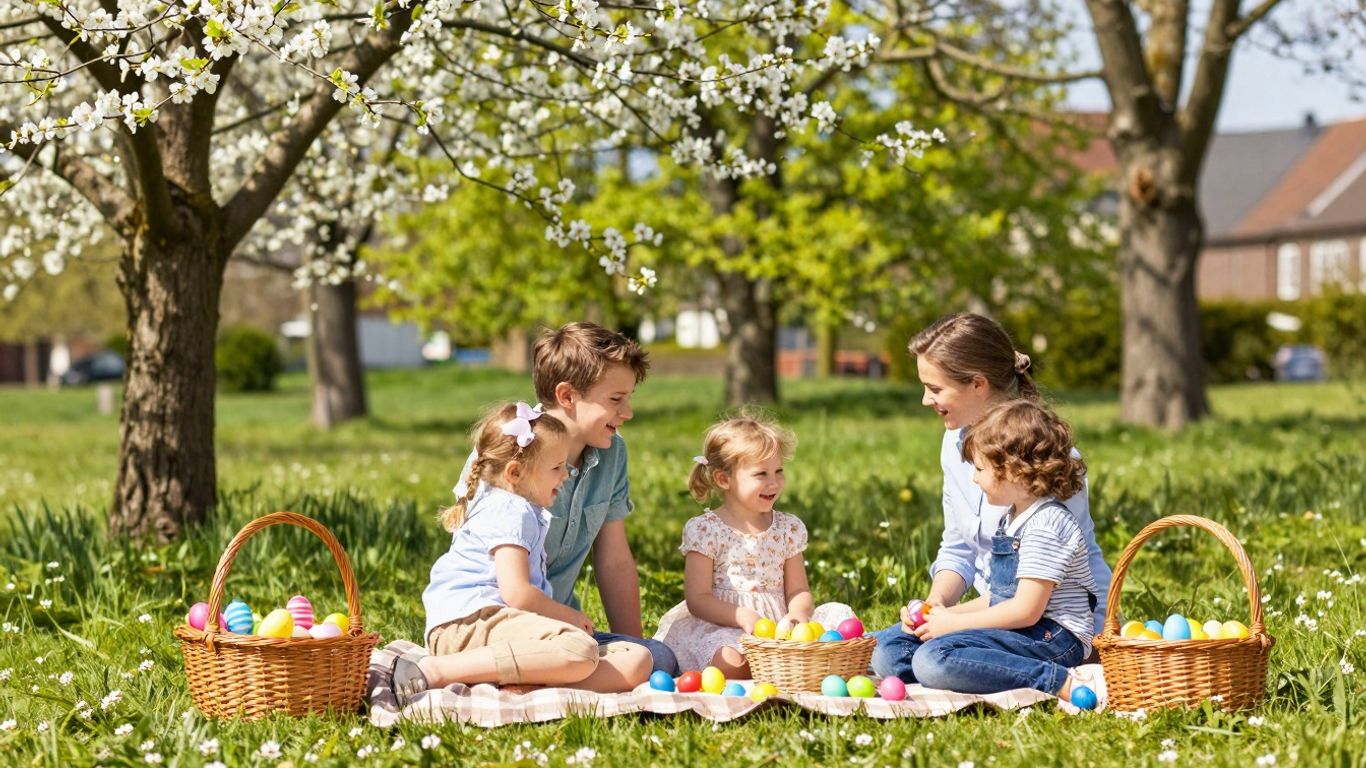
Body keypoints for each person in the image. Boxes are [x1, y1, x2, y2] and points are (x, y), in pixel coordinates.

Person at [870, 313, 1111, 681]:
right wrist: (937, 607)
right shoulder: (955, 443)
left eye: (935, 388)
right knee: (887, 653)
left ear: (978, 384)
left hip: (1045, 626)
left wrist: (954, 623)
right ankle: (967, 665)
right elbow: (958, 547)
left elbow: (1030, 599)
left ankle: (1036, 675)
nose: (924, 400)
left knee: (931, 660)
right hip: (996, 613)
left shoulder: (1044, 462)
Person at [454, 322, 679, 675]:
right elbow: (504, 583)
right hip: (495, 624)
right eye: (616, 399)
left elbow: (615, 560)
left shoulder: (612, 454)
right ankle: (495, 670)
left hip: (558, 630)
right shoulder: (512, 451)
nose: (628, 412)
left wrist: (636, 647)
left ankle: (535, 676)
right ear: (567, 396)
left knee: (659, 657)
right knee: (613, 659)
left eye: (629, 398)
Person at [393, 402, 653, 703]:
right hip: (469, 625)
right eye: (556, 468)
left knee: (638, 660)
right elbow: (517, 593)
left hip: (501, 629)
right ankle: (436, 671)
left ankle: (527, 687)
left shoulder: (524, 510)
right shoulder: (510, 510)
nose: (565, 476)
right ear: (515, 472)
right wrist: (566, 614)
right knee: (578, 648)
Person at [906, 399, 1100, 699]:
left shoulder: (1047, 525)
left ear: (1016, 472)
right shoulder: (1013, 518)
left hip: (1055, 640)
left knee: (933, 660)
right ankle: (977, 667)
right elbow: (1000, 597)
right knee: (893, 648)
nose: (974, 478)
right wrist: (941, 613)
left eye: (980, 469)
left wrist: (954, 624)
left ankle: (1055, 681)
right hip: (1025, 629)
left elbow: (1026, 610)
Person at [654, 415, 853, 675]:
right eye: (761, 474)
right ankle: (776, 667)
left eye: (779, 471)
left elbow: (798, 590)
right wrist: (742, 616)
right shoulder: (706, 530)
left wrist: (798, 615)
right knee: (730, 662)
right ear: (724, 479)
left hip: (780, 627)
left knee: (843, 621)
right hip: (724, 624)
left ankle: (787, 661)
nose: (774, 482)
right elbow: (698, 599)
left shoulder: (787, 529)